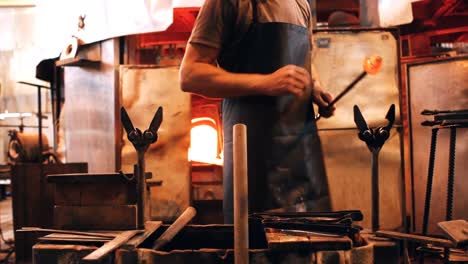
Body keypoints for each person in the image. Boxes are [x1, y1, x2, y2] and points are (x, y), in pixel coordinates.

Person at [180, 0, 336, 223]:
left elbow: (305, 60)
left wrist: (314, 87)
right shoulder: (228, 3)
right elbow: (189, 75)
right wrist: (265, 83)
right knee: (254, 245)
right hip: (253, 155)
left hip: (301, 157)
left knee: (310, 242)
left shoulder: (301, 3)